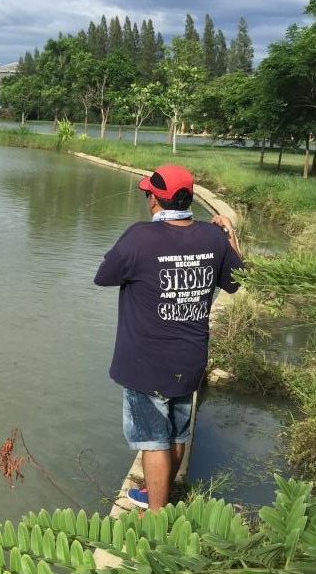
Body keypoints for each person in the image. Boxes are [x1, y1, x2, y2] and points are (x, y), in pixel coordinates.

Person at [94, 164, 243, 511]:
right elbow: (235, 282)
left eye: (149, 193)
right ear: (188, 197)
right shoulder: (212, 237)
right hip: (190, 359)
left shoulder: (139, 236)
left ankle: (157, 515)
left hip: (146, 364)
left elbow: (104, 276)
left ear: (154, 199)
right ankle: (160, 495)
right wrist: (231, 238)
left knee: (153, 441)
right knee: (177, 433)